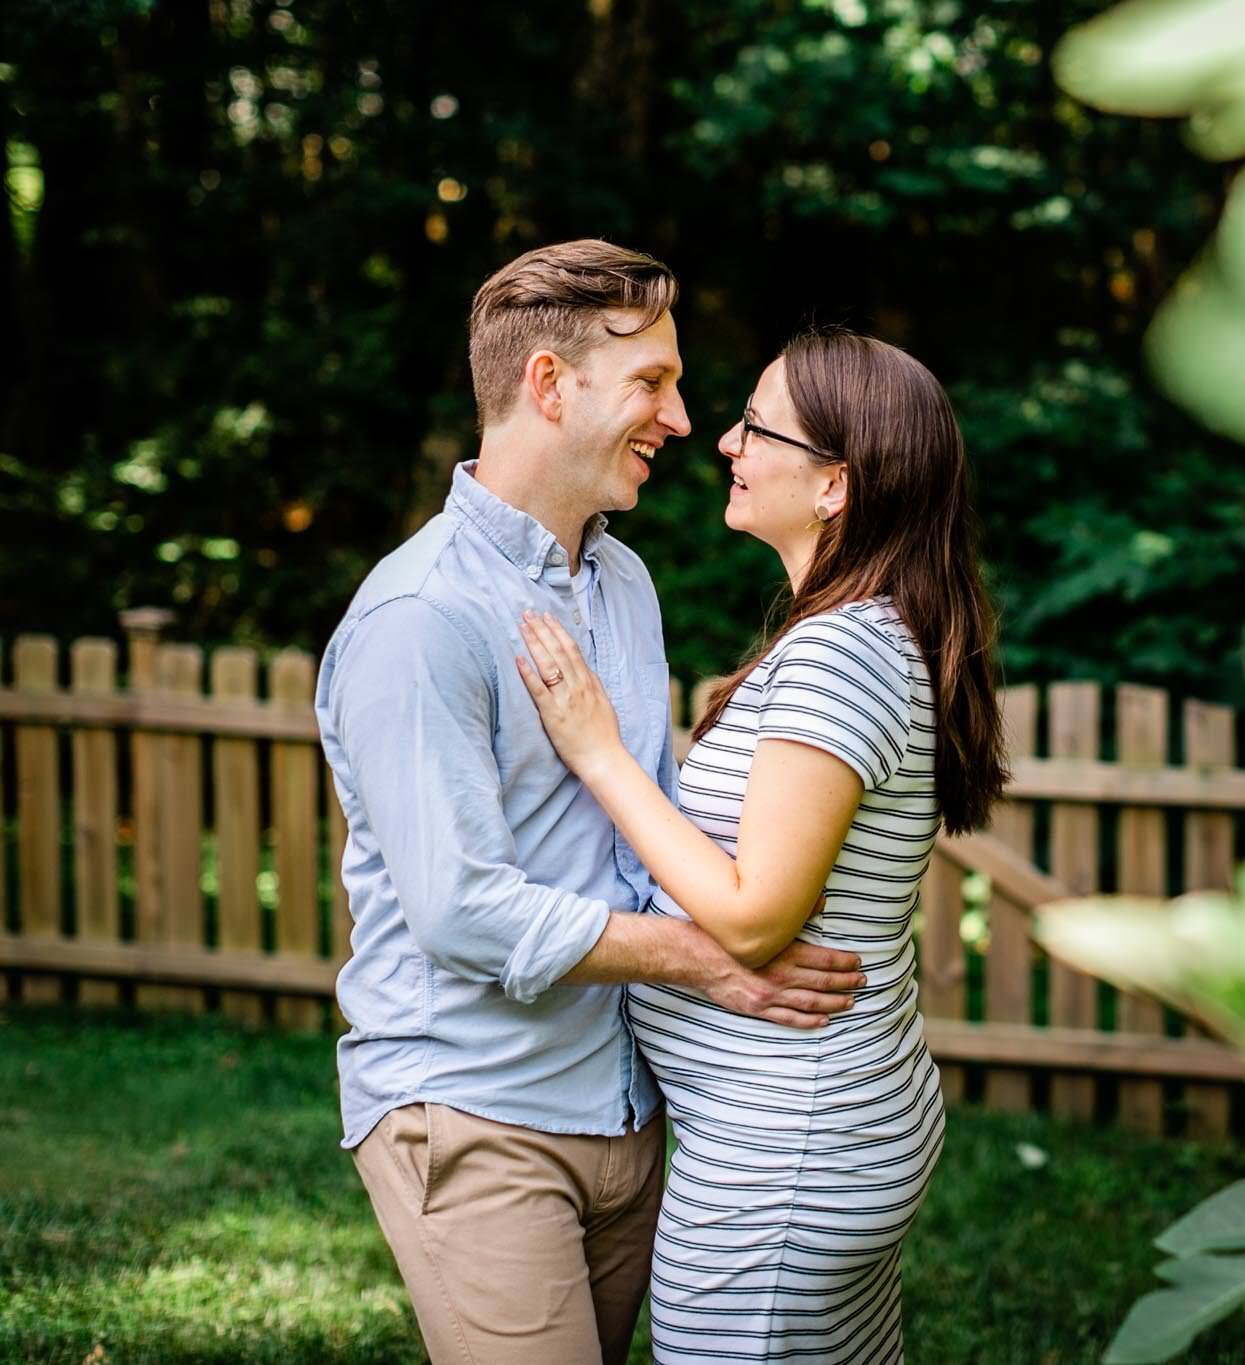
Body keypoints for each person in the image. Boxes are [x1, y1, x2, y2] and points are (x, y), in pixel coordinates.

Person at [313, 240, 867, 1365]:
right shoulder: (418, 620)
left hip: (624, 1106)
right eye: (651, 383)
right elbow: (462, 911)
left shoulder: (621, 580)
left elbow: (640, 824)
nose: (680, 417)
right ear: (550, 385)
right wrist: (701, 959)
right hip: (476, 1114)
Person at [512, 325, 1008, 1363]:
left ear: (834, 484)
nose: (724, 443)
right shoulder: (860, 632)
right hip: (823, 1128)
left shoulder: (841, 649)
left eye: (754, 425)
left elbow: (751, 914)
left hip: (783, 1161)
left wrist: (598, 752)